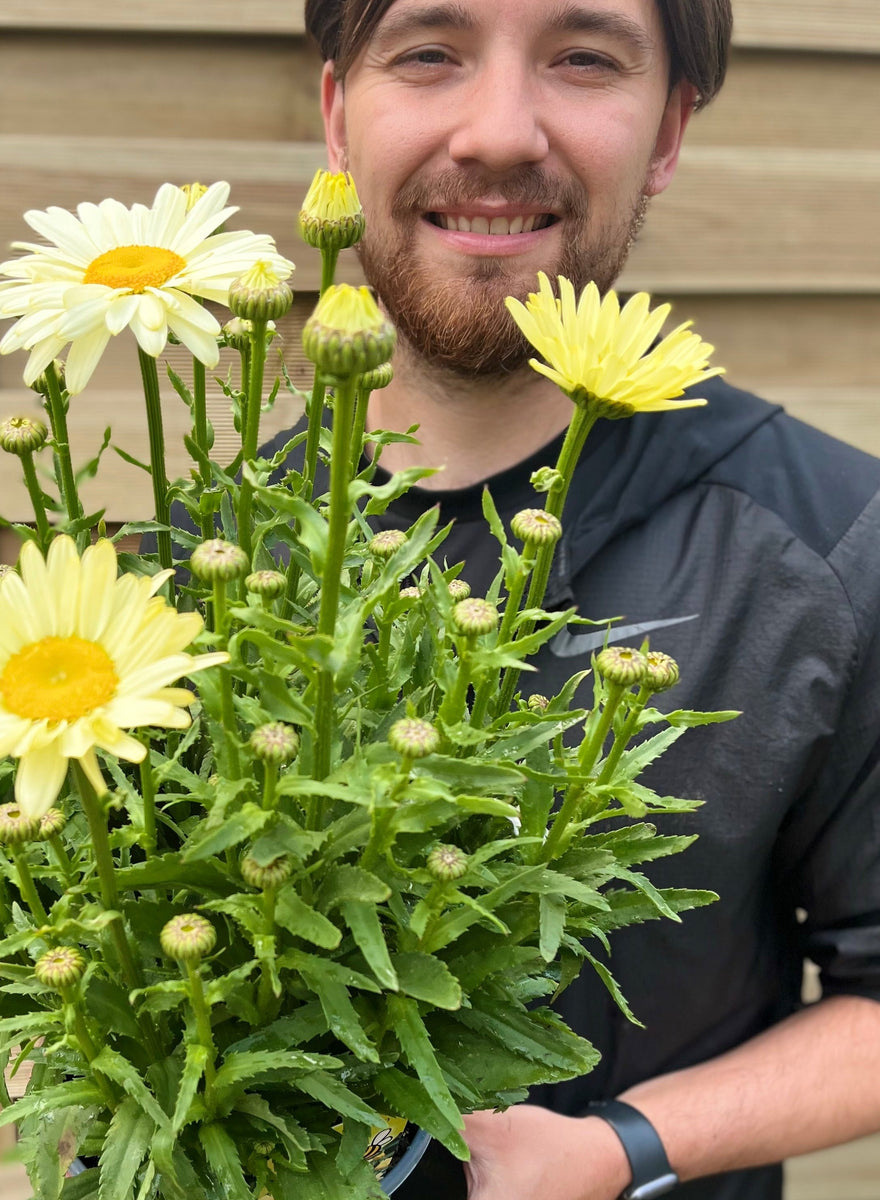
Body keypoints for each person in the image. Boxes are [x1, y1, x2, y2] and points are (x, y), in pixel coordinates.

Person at [289, 1, 880, 1197]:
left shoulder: (833, 543)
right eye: (428, 51)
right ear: (339, 114)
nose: (498, 131)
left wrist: (625, 1151)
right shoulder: (197, 544)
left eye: (584, 59)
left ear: (667, 130)